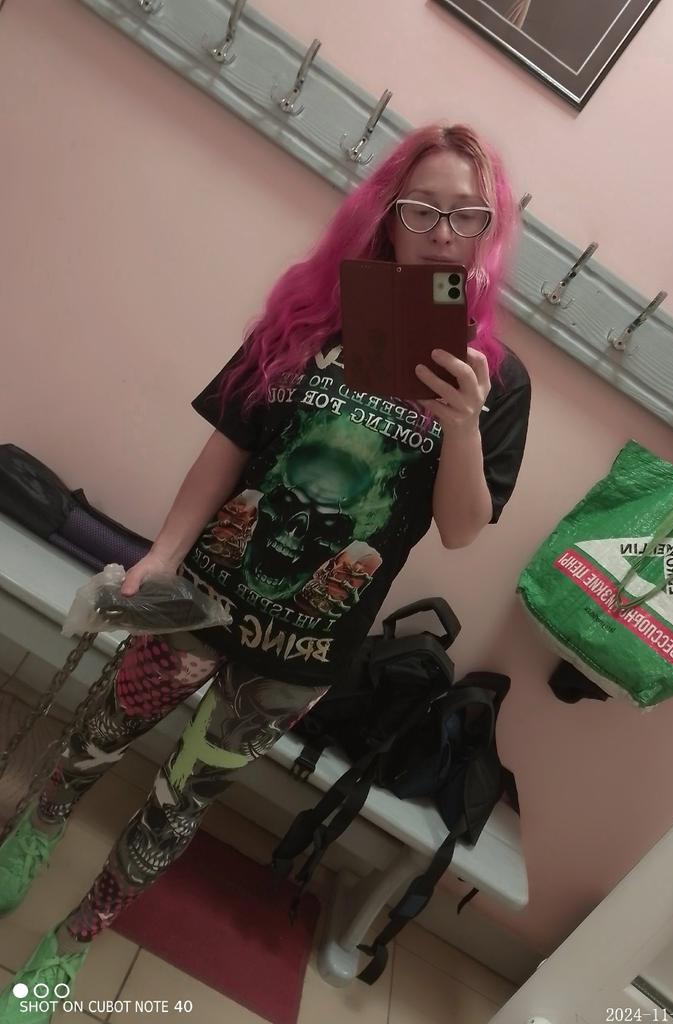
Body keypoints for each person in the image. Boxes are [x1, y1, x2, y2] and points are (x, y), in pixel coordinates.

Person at [0, 121, 531, 1021]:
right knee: (93, 738)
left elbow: (459, 530)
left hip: (302, 654)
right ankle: (31, 839)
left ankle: (72, 943)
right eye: (422, 209)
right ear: (387, 215)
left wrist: (462, 425)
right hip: (195, 606)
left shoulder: (497, 380)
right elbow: (229, 444)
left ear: (490, 232)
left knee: (178, 805)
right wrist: (160, 556)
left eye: (466, 216)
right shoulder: (311, 315)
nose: (443, 233)